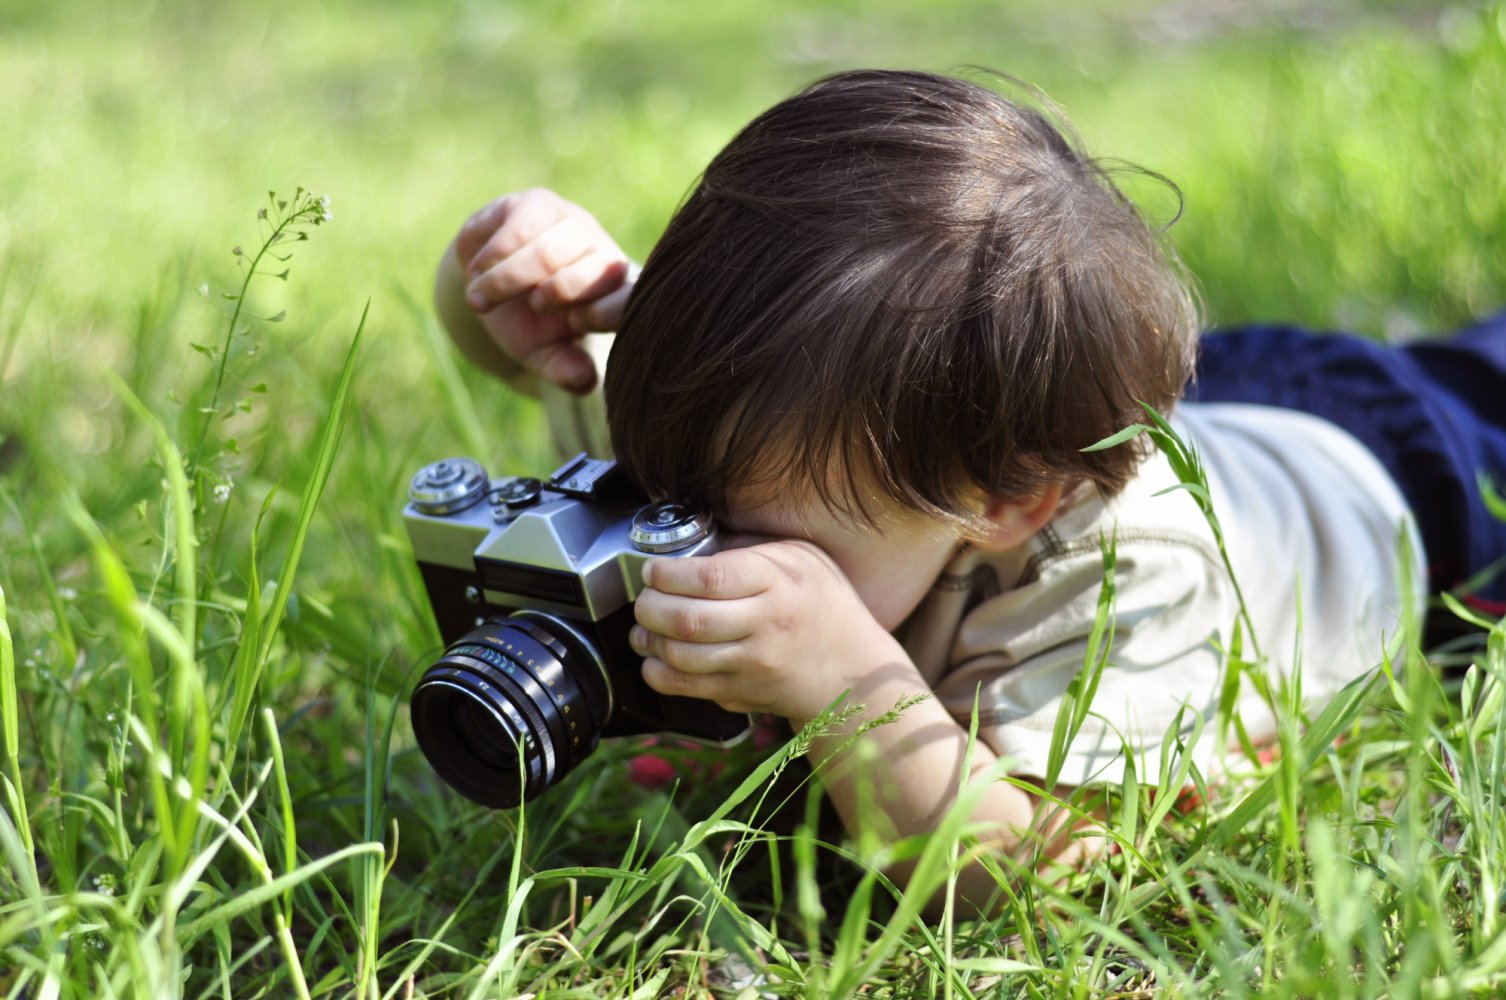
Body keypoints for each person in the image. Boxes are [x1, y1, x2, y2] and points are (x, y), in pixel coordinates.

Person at [432, 69, 1506, 910]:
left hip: (1401, 482)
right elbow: (541, 361)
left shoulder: (1113, 577)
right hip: (1191, 399)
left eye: (762, 536)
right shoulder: (723, 437)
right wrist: (496, 286)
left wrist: (847, 681)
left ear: (1004, 502)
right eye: (672, 499)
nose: (689, 543)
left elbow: (1044, 869)